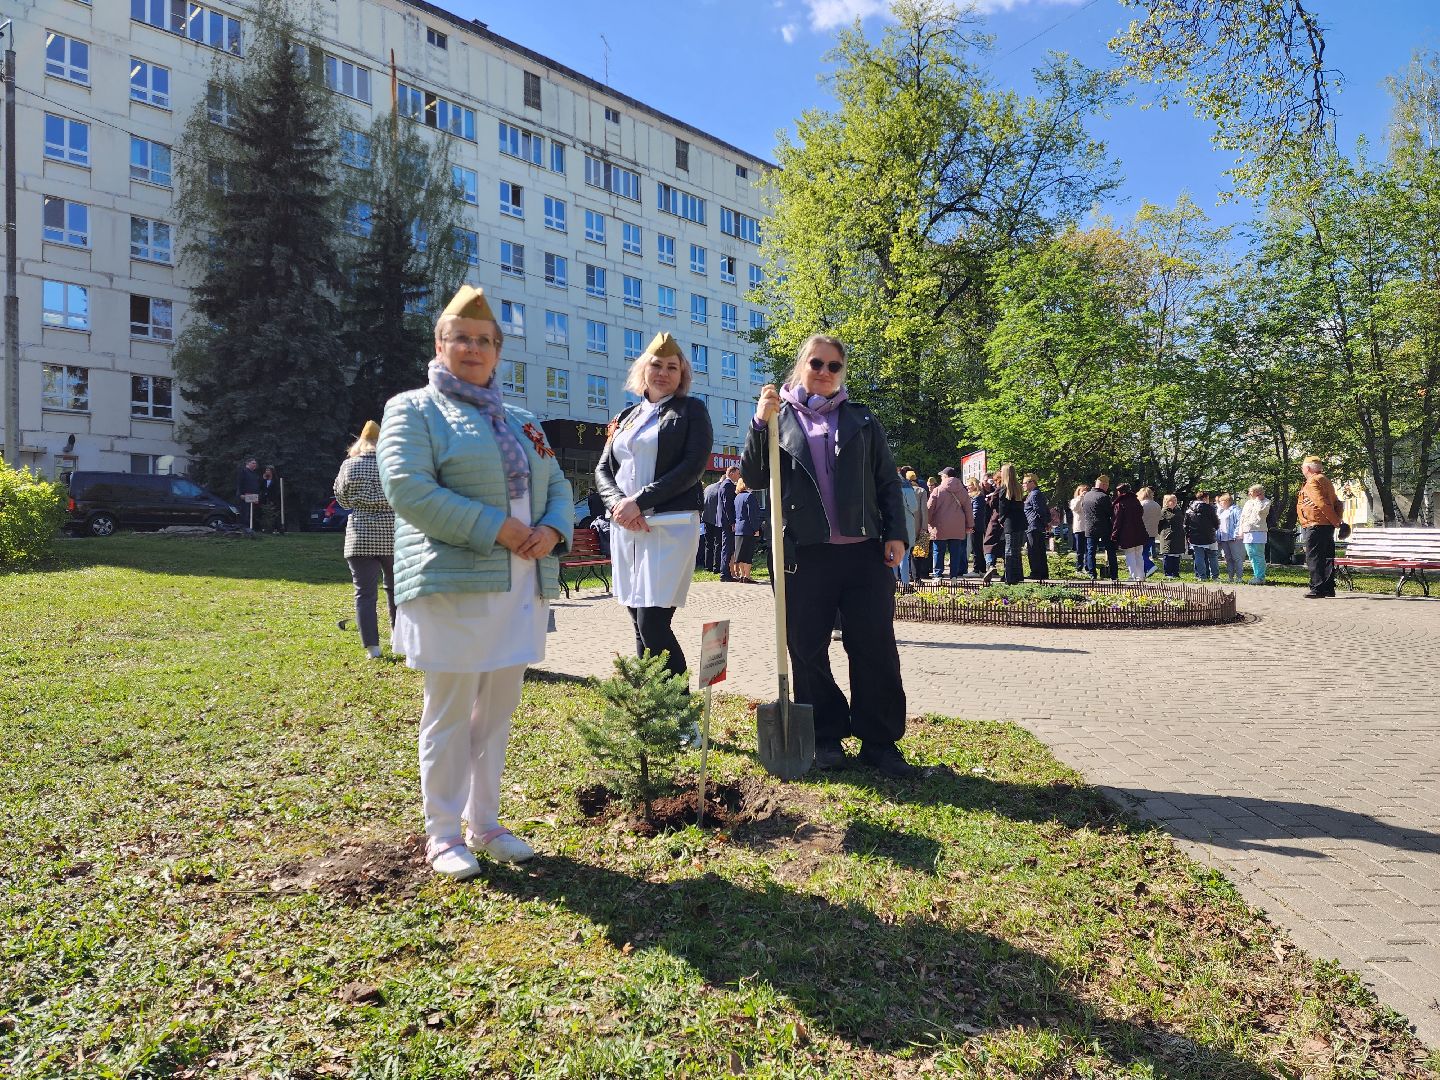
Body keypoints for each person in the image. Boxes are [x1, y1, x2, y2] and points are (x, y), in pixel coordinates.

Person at [378, 285, 573, 879]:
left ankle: (483, 823)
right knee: (451, 710)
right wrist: (499, 529)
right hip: (455, 581)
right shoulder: (413, 409)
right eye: (461, 338)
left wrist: (551, 530)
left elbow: (559, 485)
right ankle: (441, 834)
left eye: (484, 341)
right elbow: (409, 489)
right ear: (441, 344)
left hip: (519, 582)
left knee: (498, 710)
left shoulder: (521, 419)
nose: (473, 348)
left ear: (497, 352)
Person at [741, 333, 914, 778]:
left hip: (865, 554)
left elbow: (886, 483)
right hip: (803, 554)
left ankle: (879, 741)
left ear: (842, 373)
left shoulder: (862, 420)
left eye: (834, 366)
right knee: (805, 646)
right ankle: (825, 732)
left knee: (873, 644)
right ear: (802, 366)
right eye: (816, 363)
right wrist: (760, 424)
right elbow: (755, 476)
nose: (824, 372)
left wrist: (896, 532)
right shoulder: (778, 417)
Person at [595, 332, 713, 678]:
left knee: (653, 622)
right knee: (636, 621)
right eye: (657, 365)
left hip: (669, 526)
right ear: (643, 369)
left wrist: (639, 502)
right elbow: (603, 469)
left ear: (682, 375)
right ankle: (649, 713)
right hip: (626, 527)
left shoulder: (691, 410)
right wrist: (619, 505)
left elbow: (692, 467)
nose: (663, 372)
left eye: (672, 367)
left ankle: (681, 718)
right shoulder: (627, 416)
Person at [333, 421, 395, 660]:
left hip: (359, 536)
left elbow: (343, 501)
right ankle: (399, 638)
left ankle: (372, 648)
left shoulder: (348, 465)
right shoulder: (392, 464)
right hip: (392, 534)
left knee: (364, 594)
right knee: (396, 591)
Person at [1297, 457, 1344, 598]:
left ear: (1308, 469)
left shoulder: (1313, 481)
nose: (1302, 470)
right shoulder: (1325, 480)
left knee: (1314, 557)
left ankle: (1317, 588)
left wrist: (1336, 521)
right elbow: (1337, 503)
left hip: (1315, 524)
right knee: (1327, 556)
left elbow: (1322, 504)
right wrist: (1336, 521)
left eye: (1303, 467)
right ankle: (1329, 588)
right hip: (1326, 525)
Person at [927, 466, 972, 581]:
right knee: (955, 552)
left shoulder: (937, 490)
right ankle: (954, 576)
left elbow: (930, 508)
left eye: (942, 475)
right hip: (957, 526)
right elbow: (968, 509)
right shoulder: (963, 490)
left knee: (938, 551)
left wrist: (927, 522)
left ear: (945, 476)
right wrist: (969, 525)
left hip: (939, 525)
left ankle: (938, 575)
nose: (941, 477)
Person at [988, 464, 1026, 585]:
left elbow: (1003, 508)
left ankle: (1009, 577)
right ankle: (1018, 575)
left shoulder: (1004, 488)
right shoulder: (1018, 487)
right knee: (1016, 550)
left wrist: (1001, 520)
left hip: (1009, 521)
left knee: (1009, 550)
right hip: (1020, 521)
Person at [1080, 476, 1117, 581]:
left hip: (1090, 527)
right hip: (1104, 527)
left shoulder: (1086, 495)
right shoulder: (1103, 497)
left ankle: (1092, 573)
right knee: (1110, 550)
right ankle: (1114, 574)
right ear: (1104, 485)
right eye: (1107, 486)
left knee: (1091, 551)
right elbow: (1110, 512)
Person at [1111, 482, 1148, 581]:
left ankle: (1133, 576)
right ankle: (1141, 575)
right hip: (1139, 531)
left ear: (1119, 492)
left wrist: (1114, 534)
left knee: (1130, 554)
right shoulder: (1136, 501)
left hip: (1127, 533)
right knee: (1139, 555)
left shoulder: (1120, 504)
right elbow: (1141, 513)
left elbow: (1117, 521)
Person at [1238, 484, 1272, 584]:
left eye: (1251, 492)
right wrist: (1241, 530)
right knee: (1251, 555)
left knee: (1258, 555)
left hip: (1258, 532)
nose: (1249, 494)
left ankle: (1260, 577)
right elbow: (1243, 517)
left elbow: (1261, 511)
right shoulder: (1248, 503)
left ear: (1258, 492)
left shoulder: (1266, 502)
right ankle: (1256, 575)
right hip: (1248, 531)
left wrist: (1258, 500)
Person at [1185, 490, 1221, 582]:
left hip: (1195, 536)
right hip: (1209, 536)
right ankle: (1215, 576)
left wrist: (1188, 535)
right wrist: (1215, 528)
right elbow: (1216, 522)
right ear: (1205, 498)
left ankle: (1202, 576)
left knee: (1198, 556)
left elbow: (1186, 524)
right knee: (1213, 556)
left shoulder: (1189, 509)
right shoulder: (1210, 508)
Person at [731, 477, 762, 583]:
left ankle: (741, 575)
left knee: (740, 553)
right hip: (748, 528)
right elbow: (752, 515)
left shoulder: (737, 497)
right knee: (748, 553)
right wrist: (756, 528)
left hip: (739, 528)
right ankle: (747, 576)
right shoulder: (750, 497)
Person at [895, 466, 920, 592]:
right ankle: (905, 584)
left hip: (889, 523)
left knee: (892, 555)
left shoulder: (882, 483)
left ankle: (892, 584)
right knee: (904, 555)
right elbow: (914, 507)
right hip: (906, 523)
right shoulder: (905, 485)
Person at [1022, 472, 1049, 580]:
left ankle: (1036, 573)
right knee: (1040, 550)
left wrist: (1045, 522)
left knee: (1034, 550)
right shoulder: (1035, 493)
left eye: (1024, 483)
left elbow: (1040, 510)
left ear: (1032, 482)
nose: (1023, 485)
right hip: (1035, 525)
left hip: (1033, 525)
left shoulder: (1034, 494)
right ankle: (1042, 573)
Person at [1215, 492, 1244, 584]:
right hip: (1223, 538)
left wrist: (1236, 534)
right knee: (1228, 558)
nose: (1220, 503)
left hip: (1233, 537)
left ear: (1227, 501)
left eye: (1221, 501)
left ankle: (1239, 577)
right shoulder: (1222, 511)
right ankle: (1230, 577)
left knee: (1237, 558)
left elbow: (1239, 522)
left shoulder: (1235, 510)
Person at [718, 466, 740, 581]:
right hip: (728, 522)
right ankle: (725, 573)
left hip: (726, 521)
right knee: (727, 547)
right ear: (731, 473)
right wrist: (732, 522)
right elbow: (728, 506)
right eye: (737, 473)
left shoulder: (725, 485)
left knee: (728, 547)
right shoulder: (727, 485)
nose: (738, 476)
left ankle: (726, 572)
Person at [1158, 493, 1186, 578]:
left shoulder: (1178, 510)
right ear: (1166, 502)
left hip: (1178, 536)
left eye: (1175, 500)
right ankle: (1168, 573)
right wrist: (1164, 533)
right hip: (1168, 536)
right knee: (1168, 555)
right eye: (1171, 501)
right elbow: (1159, 525)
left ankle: (1176, 573)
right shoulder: (1163, 512)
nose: (1174, 502)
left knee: (1176, 555)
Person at [699, 475, 724, 570]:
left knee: (708, 543)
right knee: (718, 543)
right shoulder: (722, 489)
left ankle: (707, 566)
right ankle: (716, 566)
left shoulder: (709, 488)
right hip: (717, 519)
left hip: (706, 518)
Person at [1138, 486, 1161, 577]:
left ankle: (1150, 566)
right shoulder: (1157, 505)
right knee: (1145, 552)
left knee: (1140, 554)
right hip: (1152, 532)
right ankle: (1143, 573)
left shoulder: (1141, 504)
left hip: (1142, 532)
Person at [968, 476, 989, 575]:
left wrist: (971, 525)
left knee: (976, 547)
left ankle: (977, 569)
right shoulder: (977, 496)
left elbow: (976, 513)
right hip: (978, 525)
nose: (968, 487)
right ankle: (982, 569)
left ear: (974, 485)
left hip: (976, 525)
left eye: (969, 485)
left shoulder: (977, 496)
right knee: (977, 547)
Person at [235, 456, 261, 531]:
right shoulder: (243, 471)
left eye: (255, 463)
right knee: (245, 513)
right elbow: (239, 484)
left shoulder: (254, 473)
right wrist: (240, 494)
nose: (255, 465)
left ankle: (250, 529)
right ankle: (244, 529)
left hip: (253, 497)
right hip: (245, 496)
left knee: (251, 513)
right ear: (248, 463)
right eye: (253, 463)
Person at [1069, 483, 1090, 572]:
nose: (1084, 492)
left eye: (1086, 491)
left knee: (1088, 550)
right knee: (1080, 550)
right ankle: (1079, 568)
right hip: (1079, 528)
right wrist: (1080, 498)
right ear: (1078, 492)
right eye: (1082, 491)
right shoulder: (1074, 500)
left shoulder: (1089, 501)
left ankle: (1087, 567)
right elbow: (1075, 508)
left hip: (1088, 528)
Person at [259, 465, 283, 533]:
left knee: (274, 512)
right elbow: (260, 487)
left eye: (268, 470)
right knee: (264, 512)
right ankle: (265, 528)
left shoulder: (275, 480)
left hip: (273, 498)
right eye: (266, 470)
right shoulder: (264, 479)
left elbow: (277, 489)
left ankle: (276, 528)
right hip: (264, 498)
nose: (267, 472)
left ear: (272, 471)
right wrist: (263, 479)